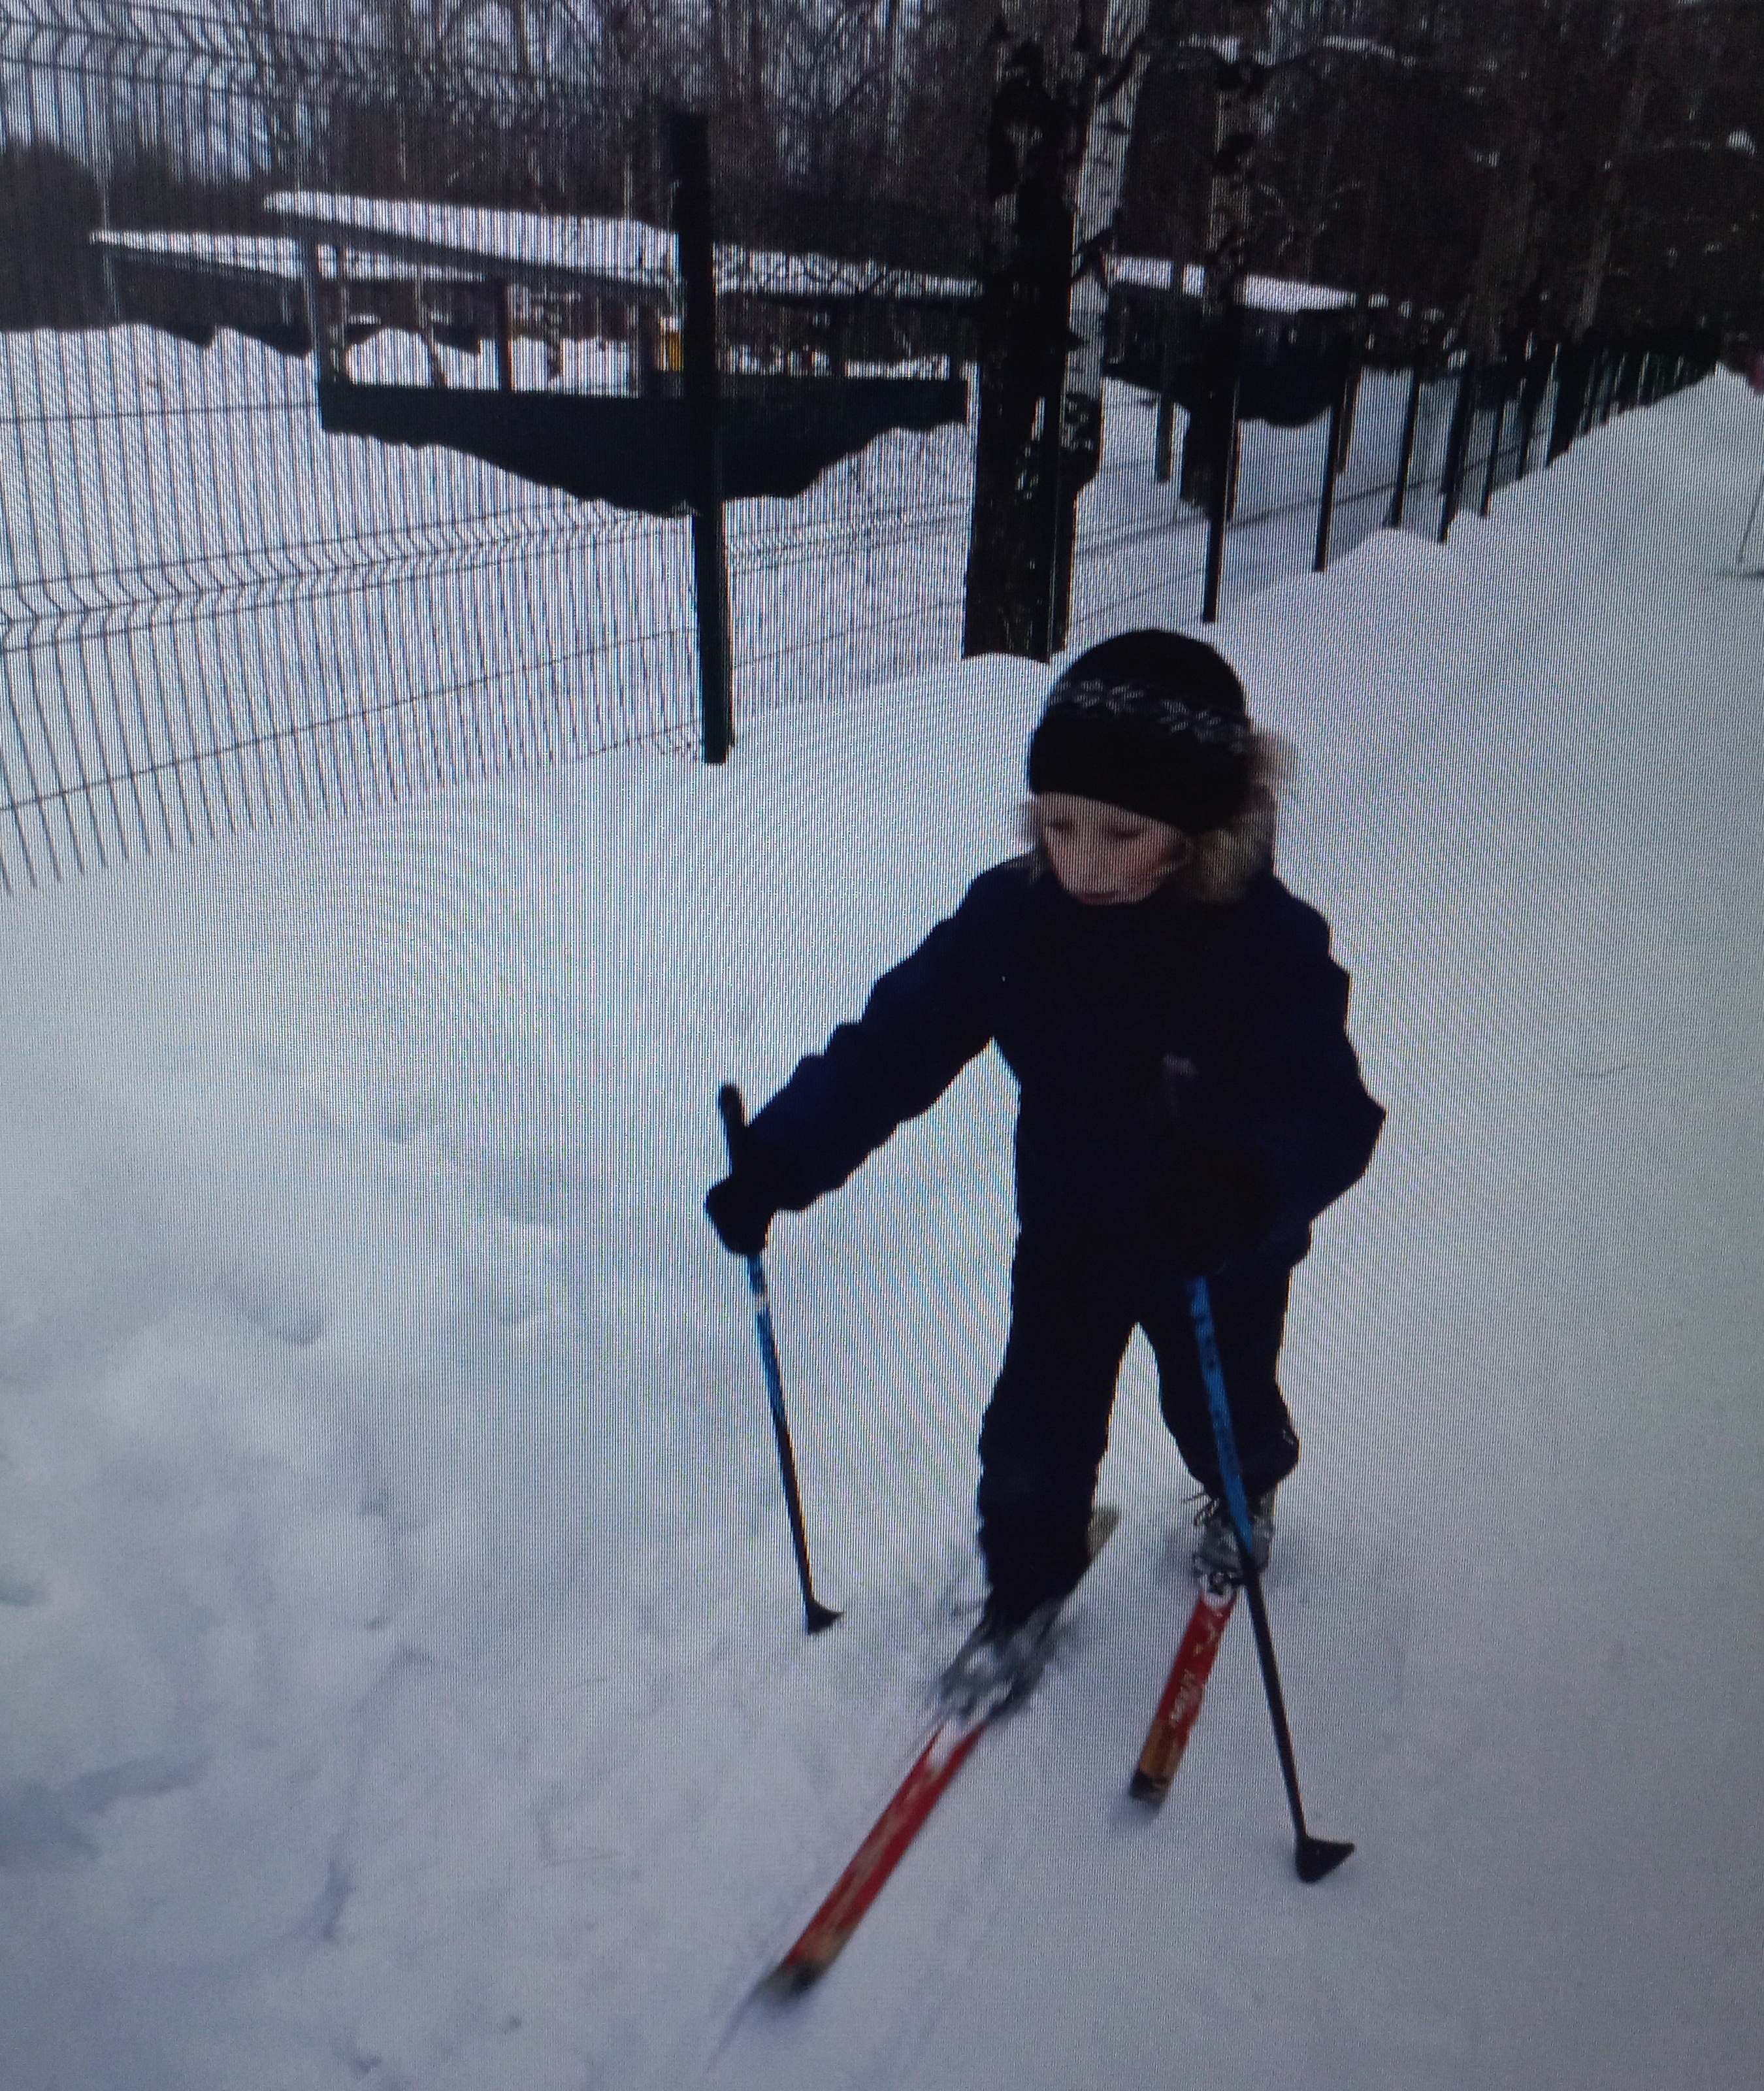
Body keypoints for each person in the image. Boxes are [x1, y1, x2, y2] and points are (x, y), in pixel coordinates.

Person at [706, 629, 1383, 1700]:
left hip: (1214, 1246)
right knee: (1032, 1429)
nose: (1090, 862)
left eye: (1126, 831)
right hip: (1071, 1235)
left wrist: (1245, 1187)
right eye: (1061, 826)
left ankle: (1244, 1491)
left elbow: (1331, 1110)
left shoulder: (1260, 945)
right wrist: (781, 1159)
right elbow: (895, 1045)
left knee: (1220, 1412)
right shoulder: (1013, 919)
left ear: (1199, 826)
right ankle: (1023, 1588)